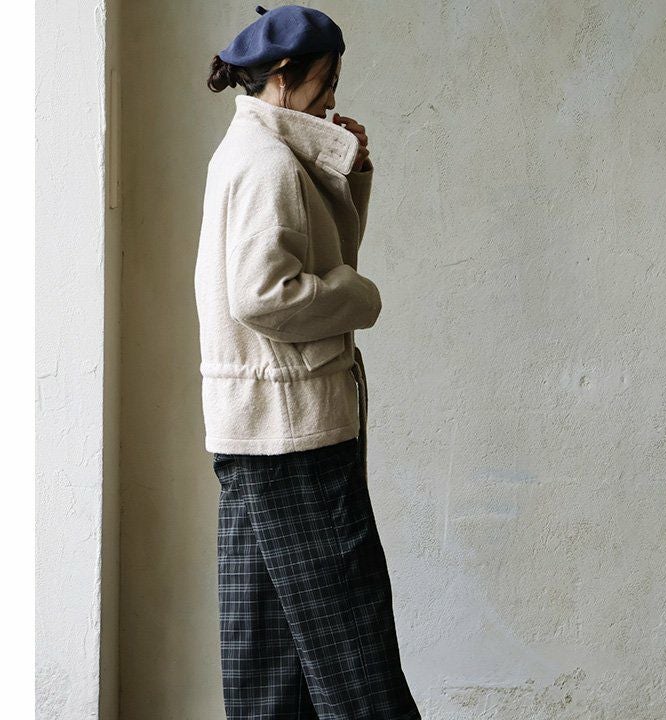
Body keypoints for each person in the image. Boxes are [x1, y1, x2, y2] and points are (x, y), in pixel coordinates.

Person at [194, 5, 422, 720]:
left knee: (267, 666)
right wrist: (359, 297)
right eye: (326, 81)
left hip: (254, 429)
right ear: (285, 75)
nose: (331, 97)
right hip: (295, 433)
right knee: (356, 658)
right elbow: (264, 295)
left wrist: (349, 171)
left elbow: (309, 250)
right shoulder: (268, 164)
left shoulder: (253, 151)